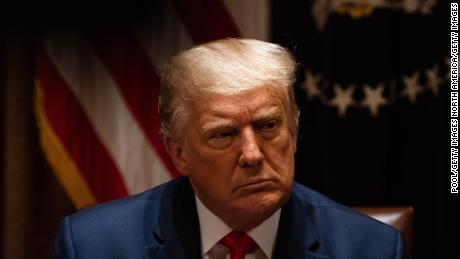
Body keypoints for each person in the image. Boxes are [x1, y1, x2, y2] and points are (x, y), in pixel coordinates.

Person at [55, 38, 406, 259]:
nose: (253, 154)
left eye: (269, 126)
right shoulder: (94, 246)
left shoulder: (370, 249)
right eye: (224, 135)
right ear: (179, 154)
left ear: (294, 133)